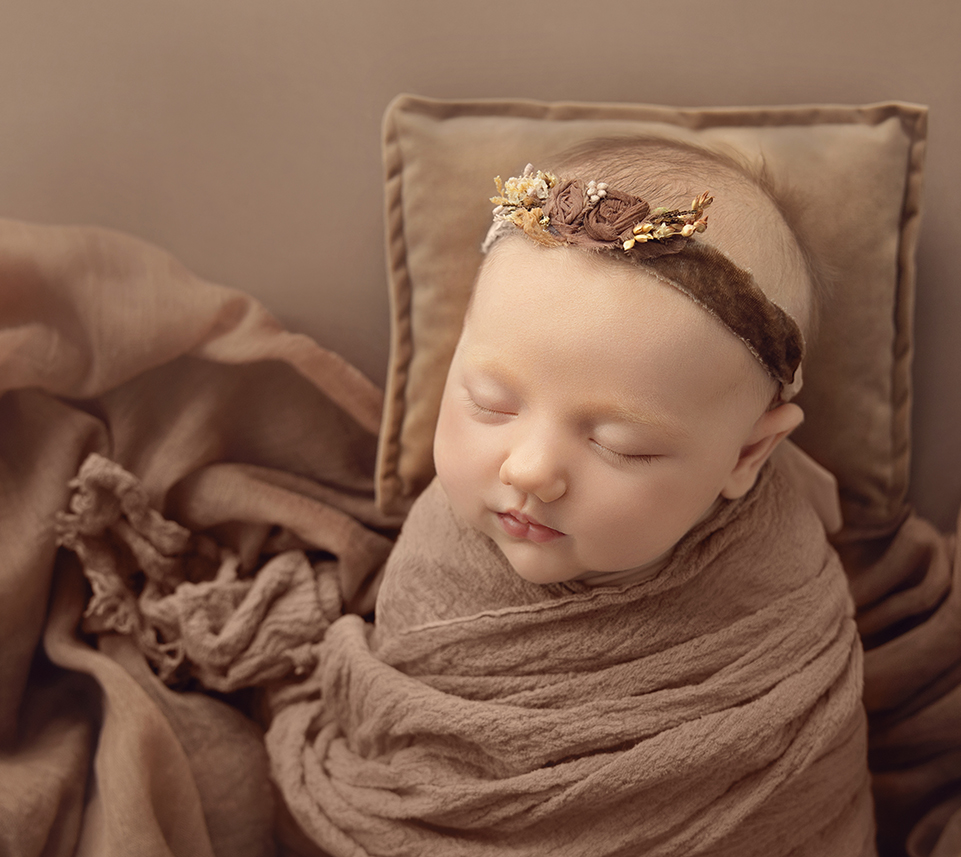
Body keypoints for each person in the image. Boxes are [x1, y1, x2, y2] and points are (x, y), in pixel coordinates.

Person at [267, 138, 874, 856]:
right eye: (490, 402)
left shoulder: (780, 603)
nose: (528, 469)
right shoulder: (441, 546)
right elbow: (401, 733)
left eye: (618, 445)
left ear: (747, 454)